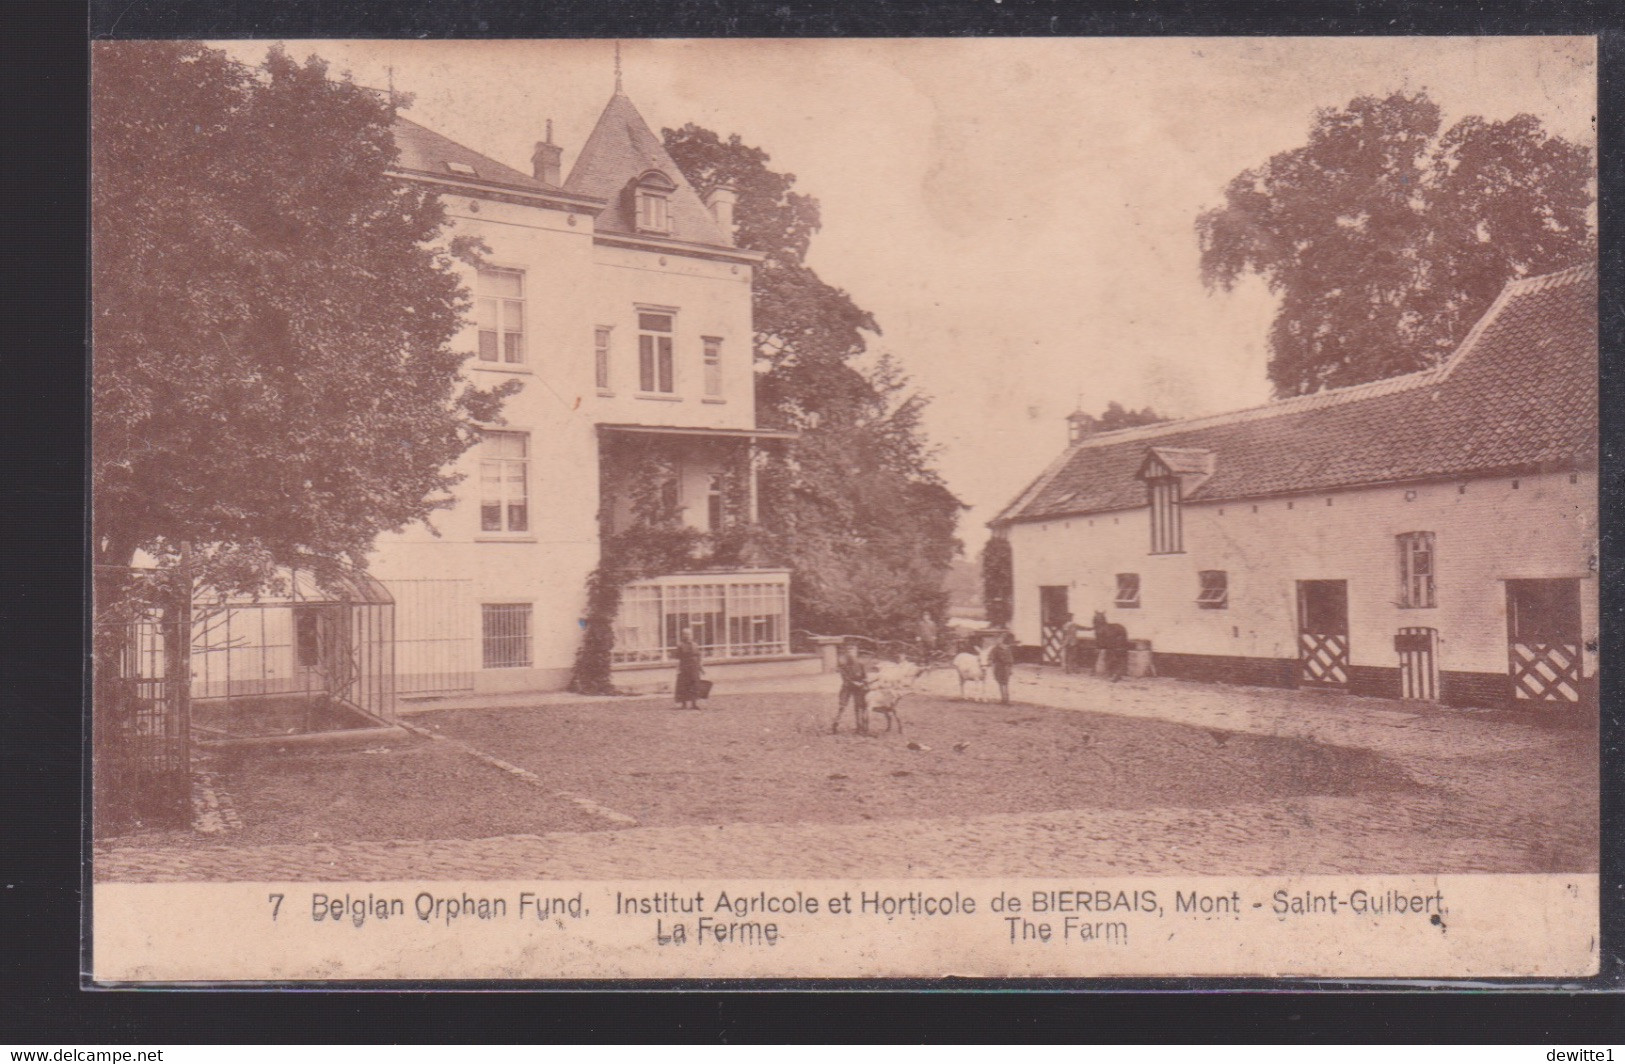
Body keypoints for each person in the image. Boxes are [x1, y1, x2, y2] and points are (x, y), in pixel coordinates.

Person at [833, 644, 871, 735]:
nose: (851, 654)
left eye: (853, 651)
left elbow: (865, 677)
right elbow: (845, 678)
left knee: (859, 707)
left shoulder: (860, 664)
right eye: (849, 652)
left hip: (858, 689)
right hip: (847, 687)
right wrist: (854, 683)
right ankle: (835, 724)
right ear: (847, 653)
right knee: (842, 706)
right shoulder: (843, 665)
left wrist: (864, 682)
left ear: (856, 652)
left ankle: (859, 727)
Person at [1093, 610, 1129, 682]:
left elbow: (1100, 639)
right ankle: (1116, 674)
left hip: (1110, 646)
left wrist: (1099, 647)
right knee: (1119, 659)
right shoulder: (1119, 627)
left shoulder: (1099, 629)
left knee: (1110, 659)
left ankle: (1113, 675)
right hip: (1118, 646)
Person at [673, 630, 705, 710]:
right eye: (685, 634)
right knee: (683, 685)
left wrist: (701, 667)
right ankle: (684, 704)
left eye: (689, 634)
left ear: (692, 635)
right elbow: (677, 658)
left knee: (695, 685)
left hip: (694, 667)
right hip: (684, 667)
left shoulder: (695, 645)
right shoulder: (680, 645)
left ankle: (694, 704)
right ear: (683, 635)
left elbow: (699, 656)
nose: (687, 636)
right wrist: (678, 668)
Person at [988, 633, 1015, 705]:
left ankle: (1007, 699)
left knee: (1006, 683)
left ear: (1002, 640)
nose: (999, 641)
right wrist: (991, 662)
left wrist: (1010, 668)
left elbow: (1011, 659)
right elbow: (990, 657)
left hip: (1006, 667)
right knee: (1000, 683)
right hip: (999, 667)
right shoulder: (995, 649)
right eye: (997, 640)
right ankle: (1003, 698)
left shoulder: (1007, 648)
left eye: (1000, 639)